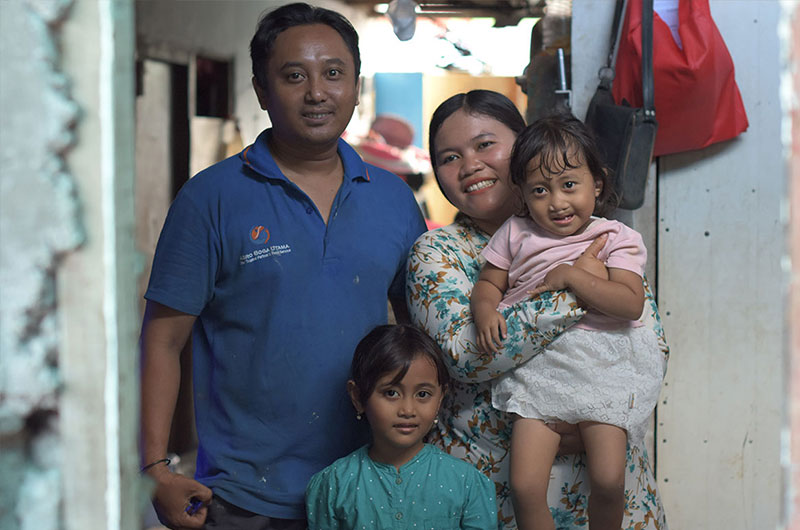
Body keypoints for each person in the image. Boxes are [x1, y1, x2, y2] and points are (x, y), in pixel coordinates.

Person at [139, 4, 427, 528]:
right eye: (294, 76)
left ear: (356, 85)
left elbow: (419, 335)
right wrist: (155, 466)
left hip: (374, 484)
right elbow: (163, 340)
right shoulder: (211, 199)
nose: (317, 92)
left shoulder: (395, 201)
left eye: (334, 73)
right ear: (261, 89)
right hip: (244, 496)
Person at [406, 90, 670, 529]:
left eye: (485, 144)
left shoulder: (604, 234)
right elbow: (467, 356)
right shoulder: (437, 252)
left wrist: (597, 409)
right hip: (499, 494)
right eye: (450, 157)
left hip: (610, 487)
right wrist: (578, 281)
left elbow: (649, 336)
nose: (470, 164)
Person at [470, 115, 666, 530]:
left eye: (569, 185)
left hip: (602, 365)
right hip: (539, 370)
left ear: (597, 183)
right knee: (524, 486)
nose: (557, 202)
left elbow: (630, 304)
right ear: (522, 194)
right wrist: (485, 307)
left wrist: (573, 276)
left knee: (610, 479)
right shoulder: (516, 231)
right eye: (540, 190)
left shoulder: (617, 238)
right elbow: (489, 280)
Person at [305, 324, 498, 529]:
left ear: (440, 398)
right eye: (391, 393)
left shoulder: (467, 484)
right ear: (358, 397)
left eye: (423, 394)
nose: (407, 410)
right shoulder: (334, 485)